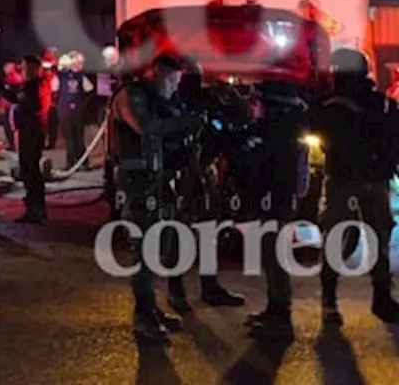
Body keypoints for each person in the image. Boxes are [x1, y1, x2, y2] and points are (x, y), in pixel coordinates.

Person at [110, 53, 201, 344]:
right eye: (173, 80)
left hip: (156, 180)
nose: (175, 87)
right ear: (159, 74)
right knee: (144, 250)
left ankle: (151, 310)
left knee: (159, 246)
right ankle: (143, 317)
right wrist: (187, 122)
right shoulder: (130, 96)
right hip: (137, 183)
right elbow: (147, 129)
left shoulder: (155, 99)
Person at [315, 47, 399, 325]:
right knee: (376, 238)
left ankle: (332, 302)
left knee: (340, 238)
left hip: (347, 179)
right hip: (367, 178)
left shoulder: (330, 104)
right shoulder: (379, 103)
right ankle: (380, 298)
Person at [164, 58, 245, 313]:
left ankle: (210, 286)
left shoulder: (208, 100)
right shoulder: (170, 102)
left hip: (206, 171)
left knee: (210, 230)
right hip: (181, 173)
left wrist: (232, 97)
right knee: (179, 231)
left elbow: (241, 119)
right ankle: (176, 290)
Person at [241, 78, 309, 340]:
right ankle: (274, 309)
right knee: (272, 257)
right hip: (276, 199)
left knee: (276, 256)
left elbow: (262, 166)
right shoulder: (286, 127)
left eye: (259, 101)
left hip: (276, 200)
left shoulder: (278, 131)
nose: (255, 105)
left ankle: (280, 316)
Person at [15, 55, 49, 223]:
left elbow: (24, 103)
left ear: (33, 69)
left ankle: (35, 209)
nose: (23, 71)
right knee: (31, 169)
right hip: (32, 131)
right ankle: (37, 208)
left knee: (30, 170)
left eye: (25, 68)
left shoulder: (33, 86)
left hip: (31, 132)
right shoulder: (36, 85)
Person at [57, 55, 88, 171]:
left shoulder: (61, 77)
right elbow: (89, 90)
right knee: (73, 137)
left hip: (68, 111)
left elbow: (54, 90)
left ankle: (77, 162)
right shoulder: (78, 77)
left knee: (74, 137)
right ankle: (78, 162)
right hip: (71, 111)